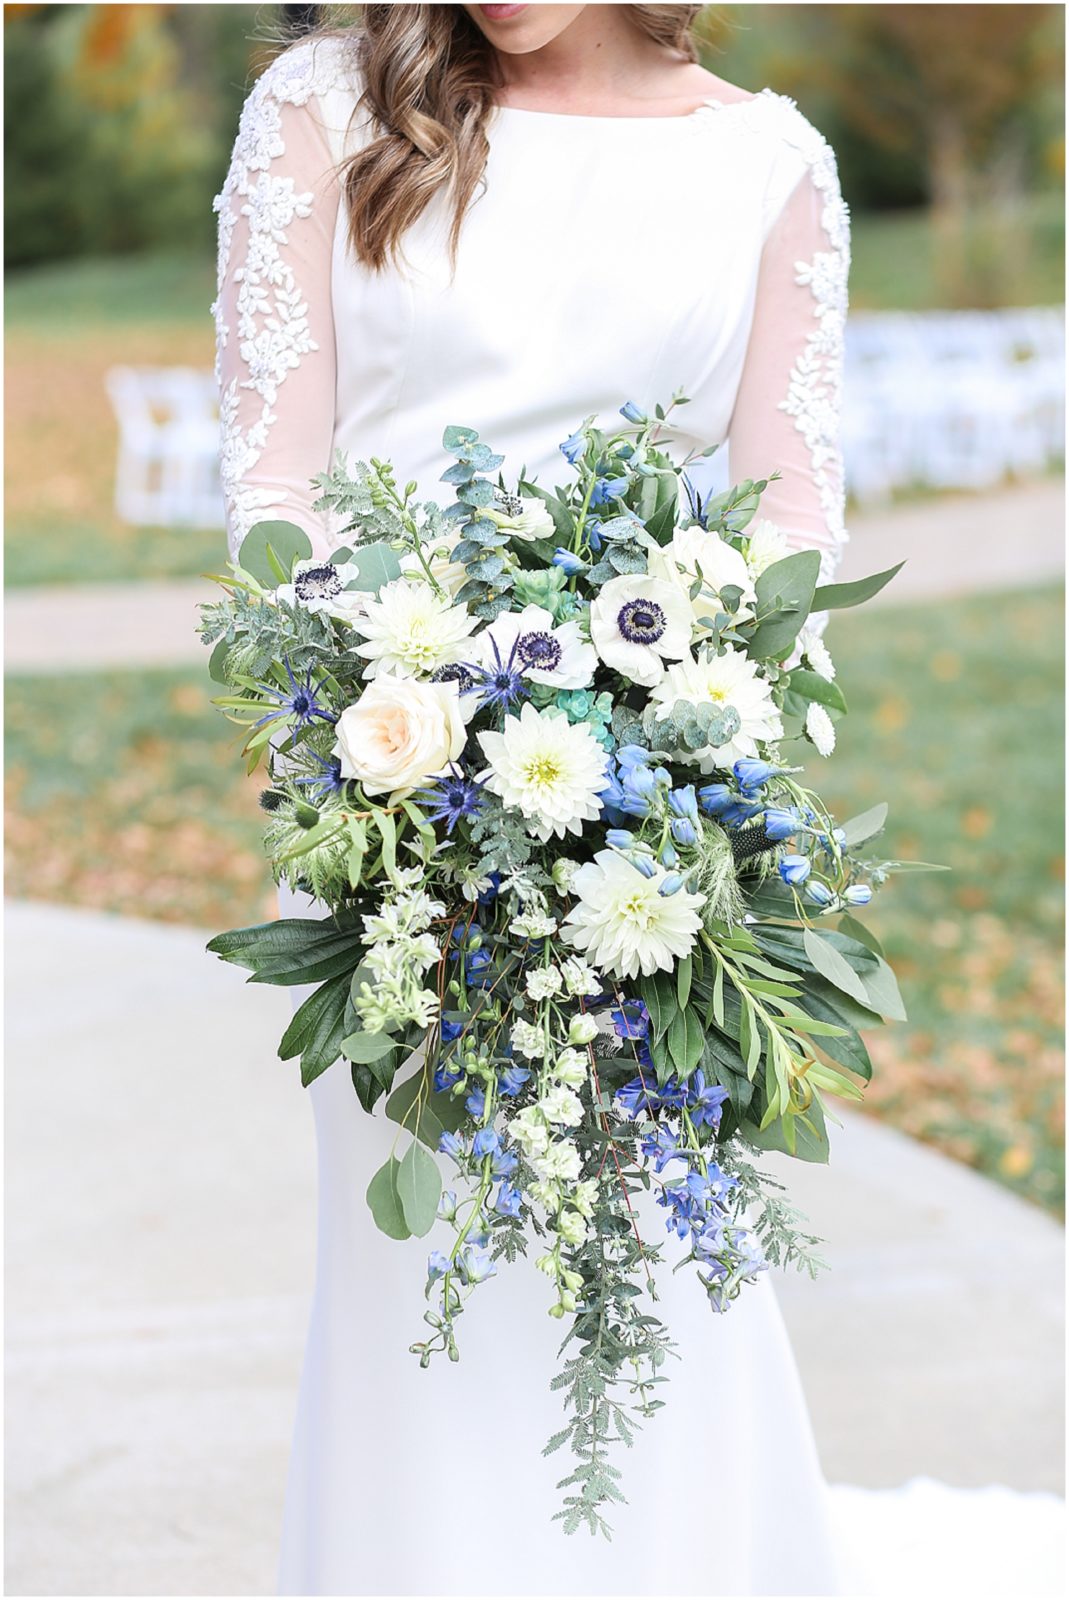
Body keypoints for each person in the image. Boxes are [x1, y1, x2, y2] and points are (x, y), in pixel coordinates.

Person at [213, 7, 1061, 1597]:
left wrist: (678, 748)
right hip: (387, 804)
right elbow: (275, 482)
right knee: (414, 1271)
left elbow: (788, 523)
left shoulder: (765, 161)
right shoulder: (325, 105)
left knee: (655, 1268)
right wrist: (387, 736)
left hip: (649, 830)